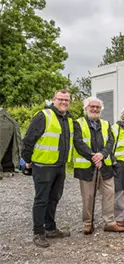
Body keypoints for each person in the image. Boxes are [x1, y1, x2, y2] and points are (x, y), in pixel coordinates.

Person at [21, 90, 73, 248]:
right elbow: (29, 139)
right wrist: (28, 161)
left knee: (54, 198)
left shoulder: (68, 119)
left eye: (66, 100)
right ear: (54, 100)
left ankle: (50, 228)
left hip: (59, 165)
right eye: (61, 99)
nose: (64, 102)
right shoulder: (44, 115)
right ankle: (38, 232)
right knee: (41, 199)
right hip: (43, 166)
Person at [73, 97, 124, 234]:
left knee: (109, 194)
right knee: (88, 196)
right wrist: (93, 156)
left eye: (98, 107)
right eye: (92, 107)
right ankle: (87, 223)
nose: (95, 109)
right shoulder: (78, 123)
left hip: (105, 167)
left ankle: (110, 223)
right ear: (86, 108)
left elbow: (110, 142)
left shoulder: (106, 124)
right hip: (86, 167)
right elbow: (78, 143)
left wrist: (102, 155)